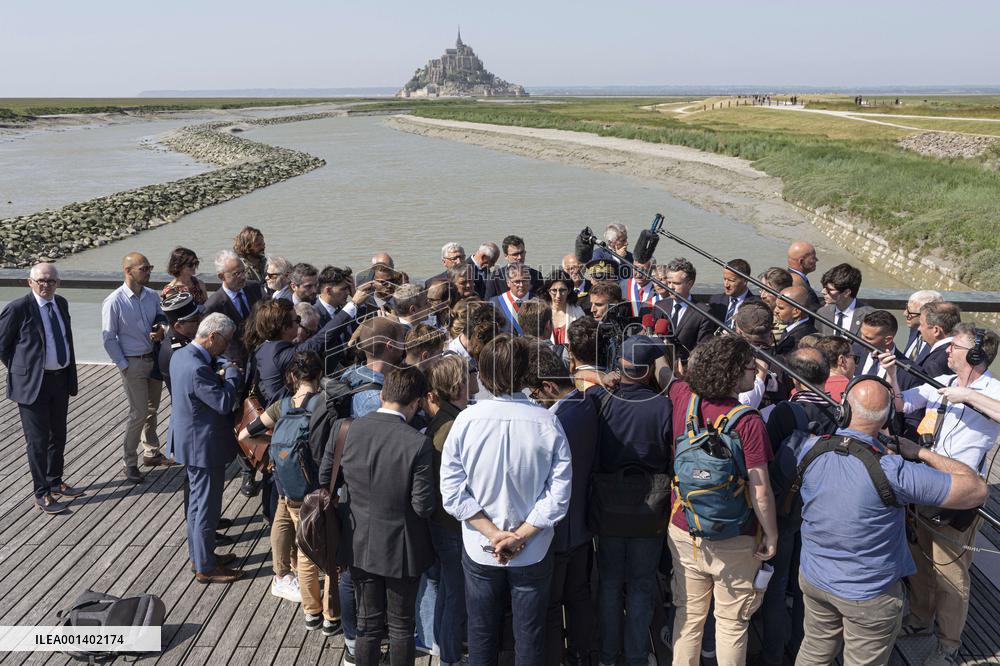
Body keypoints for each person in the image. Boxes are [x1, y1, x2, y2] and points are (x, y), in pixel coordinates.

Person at [794, 375, 988, 666]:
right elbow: (977, 490)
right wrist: (919, 451)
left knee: (814, 651)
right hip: (868, 595)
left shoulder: (807, 448)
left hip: (814, 578)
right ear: (885, 420)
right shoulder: (893, 471)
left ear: (843, 410)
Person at [440, 334, 572, 665]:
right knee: (529, 635)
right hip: (533, 548)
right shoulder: (548, 422)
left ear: (482, 374)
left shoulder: (465, 421)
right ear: (526, 373)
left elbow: (452, 491)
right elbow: (558, 496)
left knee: (482, 633)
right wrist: (520, 536)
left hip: (481, 547)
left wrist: (493, 534)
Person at [883, 325, 1000, 664]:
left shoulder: (991, 389)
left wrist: (969, 397)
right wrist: (891, 373)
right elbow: (904, 404)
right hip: (924, 481)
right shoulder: (944, 384)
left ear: (975, 356)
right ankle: (920, 621)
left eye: (955, 347)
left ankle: (949, 643)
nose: (947, 351)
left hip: (959, 493)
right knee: (918, 559)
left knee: (951, 573)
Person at [667, 335, 778, 666]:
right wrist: (771, 534)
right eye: (750, 367)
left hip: (683, 526)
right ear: (733, 374)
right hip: (735, 535)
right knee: (731, 624)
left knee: (688, 617)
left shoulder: (683, 397)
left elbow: (665, 374)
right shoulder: (748, 421)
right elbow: (760, 489)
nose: (754, 372)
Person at [238, 352, 343, 630]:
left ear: (294, 377)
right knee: (330, 551)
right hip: (320, 491)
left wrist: (273, 445)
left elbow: (244, 436)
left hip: (291, 490)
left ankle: (311, 612)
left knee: (305, 550)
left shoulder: (281, 406)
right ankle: (331, 616)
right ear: (319, 375)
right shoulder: (325, 404)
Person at [341, 366, 435, 666]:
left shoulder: (351, 428)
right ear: (416, 402)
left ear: (382, 395)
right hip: (401, 550)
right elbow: (422, 506)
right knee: (401, 626)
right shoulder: (417, 443)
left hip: (359, 543)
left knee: (368, 624)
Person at [593, 335, 672, 666]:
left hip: (608, 505)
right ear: (647, 370)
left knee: (609, 584)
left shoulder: (599, 399)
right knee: (641, 585)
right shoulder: (663, 405)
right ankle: (638, 656)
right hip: (649, 507)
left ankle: (609, 656)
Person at [524, 344, 598, 666]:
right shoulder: (587, 404)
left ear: (550, 386)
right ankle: (585, 655)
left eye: (537, 393)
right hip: (582, 525)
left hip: (557, 532)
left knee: (553, 605)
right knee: (579, 596)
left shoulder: (555, 422)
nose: (535, 400)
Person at [166, 313, 246, 584]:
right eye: (226, 342)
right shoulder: (198, 369)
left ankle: (201, 555)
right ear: (213, 337)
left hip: (188, 439)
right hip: (203, 446)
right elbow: (224, 402)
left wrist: (219, 371)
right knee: (206, 508)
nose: (227, 347)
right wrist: (232, 374)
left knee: (196, 504)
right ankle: (205, 567)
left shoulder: (182, 355)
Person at [0, 262, 82, 515]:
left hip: (59, 379)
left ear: (58, 282)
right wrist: (23, 370)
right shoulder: (18, 308)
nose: (46, 285)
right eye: (41, 281)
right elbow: (2, 345)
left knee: (58, 434)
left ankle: (55, 480)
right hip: (33, 385)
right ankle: (41, 493)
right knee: (37, 441)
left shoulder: (62, 304)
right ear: (30, 282)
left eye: (51, 281)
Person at [422, 354, 472, 666]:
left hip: (440, 521)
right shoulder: (452, 426)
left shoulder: (442, 420)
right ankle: (451, 658)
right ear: (458, 386)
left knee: (446, 590)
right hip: (451, 525)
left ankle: (443, 648)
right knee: (456, 594)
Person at [101, 252, 167, 483]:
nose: (149, 272)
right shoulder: (114, 301)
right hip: (133, 363)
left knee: (152, 410)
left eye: (150, 267)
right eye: (144, 268)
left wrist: (161, 330)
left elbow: (162, 319)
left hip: (153, 359)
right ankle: (130, 462)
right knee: (138, 413)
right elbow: (109, 337)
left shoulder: (151, 296)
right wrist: (123, 365)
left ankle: (151, 452)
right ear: (128, 271)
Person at [245, 297, 360, 405]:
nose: (299, 324)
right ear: (285, 327)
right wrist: (353, 304)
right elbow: (323, 337)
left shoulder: (262, 349)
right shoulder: (281, 354)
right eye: (297, 320)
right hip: (285, 417)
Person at [203, 249, 263, 369]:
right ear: (221, 276)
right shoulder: (213, 306)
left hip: (261, 354)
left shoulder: (254, 287)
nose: (242, 277)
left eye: (243, 272)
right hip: (236, 363)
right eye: (236, 274)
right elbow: (210, 343)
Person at [339, 317, 407, 418]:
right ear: (390, 346)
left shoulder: (350, 373)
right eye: (402, 339)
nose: (405, 345)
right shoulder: (376, 402)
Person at [653, 258, 715, 357]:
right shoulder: (660, 306)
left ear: (690, 284)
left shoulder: (703, 312)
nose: (671, 287)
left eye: (676, 283)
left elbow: (703, 348)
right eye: (669, 282)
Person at [159, 291, 205, 394]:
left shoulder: (185, 339)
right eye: (195, 319)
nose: (201, 321)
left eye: (200, 316)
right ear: (178, 326)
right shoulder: (177, 351)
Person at [815, 263, 873, 337]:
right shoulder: (822, 313)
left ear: (846, 292)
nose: (823, 292)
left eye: (830, 289)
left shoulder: (870, 316)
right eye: (824, 287)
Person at [853, 310, 908, 382]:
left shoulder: (906, 370)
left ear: (887, 340)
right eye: (861, 334)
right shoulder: (851, 354)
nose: (862, 340)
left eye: (868, 338)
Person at [708, 259, 761, 330]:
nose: (726, 285)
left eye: (731, 280)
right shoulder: (716, 300)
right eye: (724, 279)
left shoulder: (756, 304)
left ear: (745, 281)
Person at [541, 271, 585, 346]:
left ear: (569, 291)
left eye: (562, 290)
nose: (558, 295)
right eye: (554, 290)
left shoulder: (578, 312)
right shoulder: (541, 312)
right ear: (548, 291)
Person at [490, 263, 534, 334]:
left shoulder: (538, 302)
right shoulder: (494, 303)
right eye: (517, 281)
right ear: (508, 283)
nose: (521, 285)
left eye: (525, 280)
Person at [773, 286, 817, 356]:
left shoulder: (799, 339)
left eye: (780, 308)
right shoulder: (792, 329)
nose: (775, 311)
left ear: (796, 312)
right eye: (776, 306)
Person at [901, 290, 943, 360]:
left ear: (925, 315)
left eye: (909, 312)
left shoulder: (938, 343)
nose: (905, 313)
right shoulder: (914, 328)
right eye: (906, 308)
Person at [813, 336, 856, 402]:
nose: (856, 364)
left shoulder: (803, 390)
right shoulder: (857, 390)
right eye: (854, 358)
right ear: (841, 360)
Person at [785, 241, 820, 311]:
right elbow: (811, 308)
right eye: (813, 258)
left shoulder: (790, 277)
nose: (817, 260)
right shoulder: (796, 282)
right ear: (801, 261)